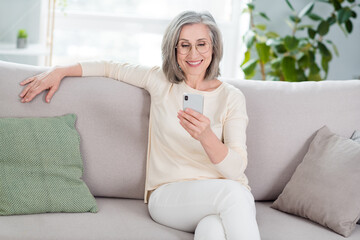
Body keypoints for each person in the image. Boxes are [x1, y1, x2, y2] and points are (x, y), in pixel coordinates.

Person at [19, 11, 261, 240]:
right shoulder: (159, 81)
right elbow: (108, 67)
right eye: (184, 45)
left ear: (213, 47)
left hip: (220, 197)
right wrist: (61, 71)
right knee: (236, 195)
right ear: (174, 49)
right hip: (169, 196)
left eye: (201, 44)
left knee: (213, 229)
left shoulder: (231, 97)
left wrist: (206, 136)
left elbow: (235, 169)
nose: (193, 54)